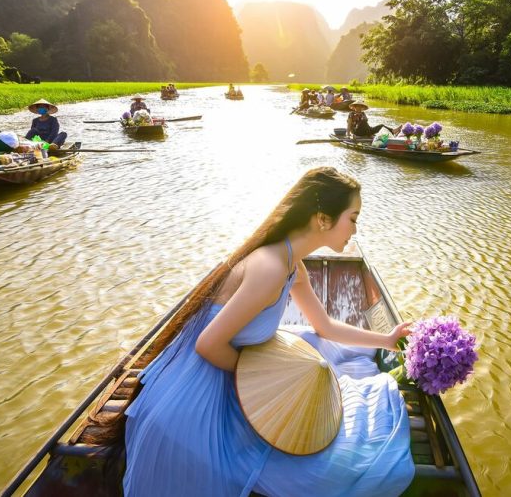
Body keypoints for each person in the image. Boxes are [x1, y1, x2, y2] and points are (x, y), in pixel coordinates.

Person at [120, 167, 415, 496]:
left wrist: (387, 339)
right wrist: (266, 380)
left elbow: (324, 326)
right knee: (337, 470)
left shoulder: (291, 264)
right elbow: (207, 344)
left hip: (231, 378)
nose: (355, 229)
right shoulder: (271, 267)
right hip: (201, 390)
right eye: (353, 218)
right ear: (323, 219)